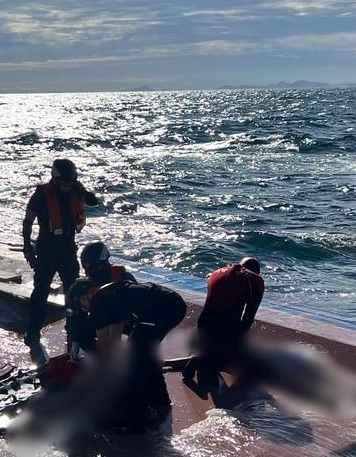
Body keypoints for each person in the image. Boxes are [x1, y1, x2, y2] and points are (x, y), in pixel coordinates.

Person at [67, 242, 186, 429]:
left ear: (87, 295)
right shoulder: (106, 294)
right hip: (166, 305)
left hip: (162, 310)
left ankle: (135, 419)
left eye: (82, 304)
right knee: (141, 352)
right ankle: (159, 402)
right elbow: (114, 338)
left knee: (137, 358)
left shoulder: (99, 303)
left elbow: (108, 350)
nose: (84, 309)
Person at [21, 158, 99, 347]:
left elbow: (93, 201)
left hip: (67, 248)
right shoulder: (42, 194)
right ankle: (33, 333)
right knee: (40, 292)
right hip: (47, 249)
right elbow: (28, 221)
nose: (68, 185)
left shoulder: (76, 190)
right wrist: (27, 247)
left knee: (73, 292)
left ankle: (74, 329)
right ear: (55, 179)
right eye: (65, 182)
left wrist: (82, 190)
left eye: (71, 182)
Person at [186, 257, 265, 396]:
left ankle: (205, 352)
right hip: (225, 326)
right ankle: (203, 359)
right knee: (231, 355)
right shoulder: (255, 280)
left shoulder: (218, 272)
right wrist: (238, 343)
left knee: (212, 344)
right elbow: (249, 316)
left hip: (204, 322)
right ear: (256, 271)